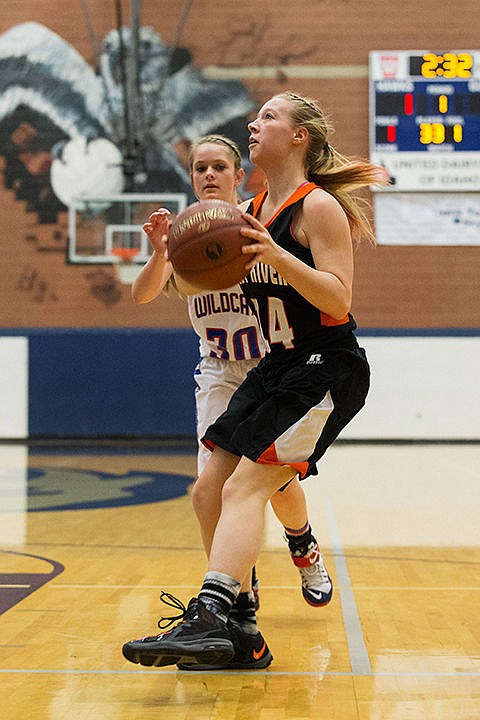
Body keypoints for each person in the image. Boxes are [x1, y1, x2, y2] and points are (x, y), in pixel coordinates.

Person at [127, 133, 331, 670]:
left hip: (269, 365)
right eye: (201, 168)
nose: (210, 175)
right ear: (191, 177)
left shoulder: (250, 223)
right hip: (220, 373)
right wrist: (160, 254)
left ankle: (302, 543)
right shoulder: (188, 233)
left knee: (276, 485)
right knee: (209, 492)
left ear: (239, 175)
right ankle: (237, 596)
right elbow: (143, 295)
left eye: (220, 166)